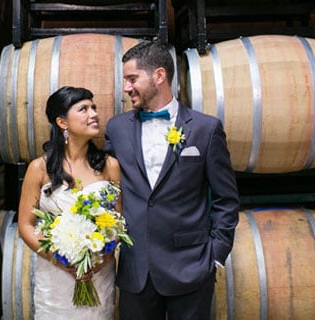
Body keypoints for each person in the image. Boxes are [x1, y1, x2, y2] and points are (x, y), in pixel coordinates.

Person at [105, 40, 240, 320]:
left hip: (191, 268)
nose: (126, 88)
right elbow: (107, 187)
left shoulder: (205, 129)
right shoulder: (116, 129)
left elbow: (226, 199)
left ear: (159, 76)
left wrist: (215, 254)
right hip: (135, 271)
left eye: (132, 79)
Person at [18, 86, 122, 319]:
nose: (94, 113)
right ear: (62, 123)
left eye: (94, 108)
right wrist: (60, 258)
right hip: (55, 277)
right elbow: (25, 225)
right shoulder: (39, 169)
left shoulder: (110, 166)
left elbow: (118, 222)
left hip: (98, 274)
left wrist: (101, 258)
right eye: (83, 109)